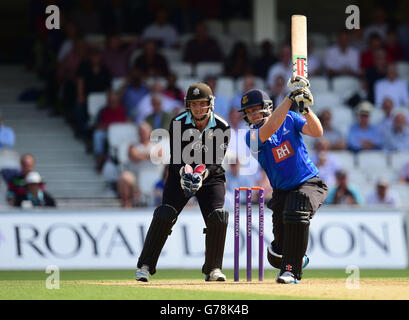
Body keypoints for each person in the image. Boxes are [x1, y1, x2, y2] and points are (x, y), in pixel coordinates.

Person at [135, 82, 231, 282]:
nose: (197, 108)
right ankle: (145, 266)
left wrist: (201, 175)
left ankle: (213, 268)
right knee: (165, 213)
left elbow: (215, 161)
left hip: (210, 177)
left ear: (210, 104)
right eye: (194, 104)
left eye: (201, 104)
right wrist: (186, 174)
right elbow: (177, 157)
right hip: (181, 173)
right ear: (188, 105)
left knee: (218, 217)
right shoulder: (178, 121)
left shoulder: (222, 126)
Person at [238, 76, 328, 284]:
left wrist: (305, 108)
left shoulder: (291, 118)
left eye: (255, 109)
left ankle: (291, 271)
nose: (252, 115)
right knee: (277, 252)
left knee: (298, 207)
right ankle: (290, 259)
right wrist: (290, 97)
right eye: (249, 112)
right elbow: (270, 129)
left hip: (309, 182)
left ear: (268, 107)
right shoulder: (250, 137)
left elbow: (317, 131)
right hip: (281, 192)